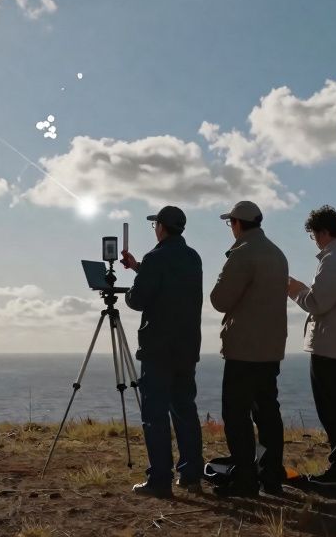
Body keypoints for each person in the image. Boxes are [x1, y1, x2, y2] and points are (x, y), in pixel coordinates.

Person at [120, 206, 204, 498]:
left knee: (155, 415)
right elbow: (172, 284)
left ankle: (159, 480)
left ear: (161, 227)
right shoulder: (192, 257)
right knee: (185, 410)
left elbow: (139, 299)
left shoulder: (156, 258)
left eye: (155, 224)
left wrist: (131, 288)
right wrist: (138, 267)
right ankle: (191, 475)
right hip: (187, 347)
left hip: (158, 349)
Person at [209, 200, 289, 497]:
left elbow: (220, 300)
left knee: (237, 415)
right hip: (271, 348)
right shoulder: (277, 253)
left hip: (244, 349)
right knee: (268, 412)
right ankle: (271, 476)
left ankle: (245, 479)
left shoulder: (243, 253)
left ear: (237, 224)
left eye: (231, 223)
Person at [286, 205, 336, 485]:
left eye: (313, 235)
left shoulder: (333, 260)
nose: (314, 240)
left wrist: (294, 289)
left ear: (323, 232)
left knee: (333, 408)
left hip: (329, 344)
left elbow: (318, 303)